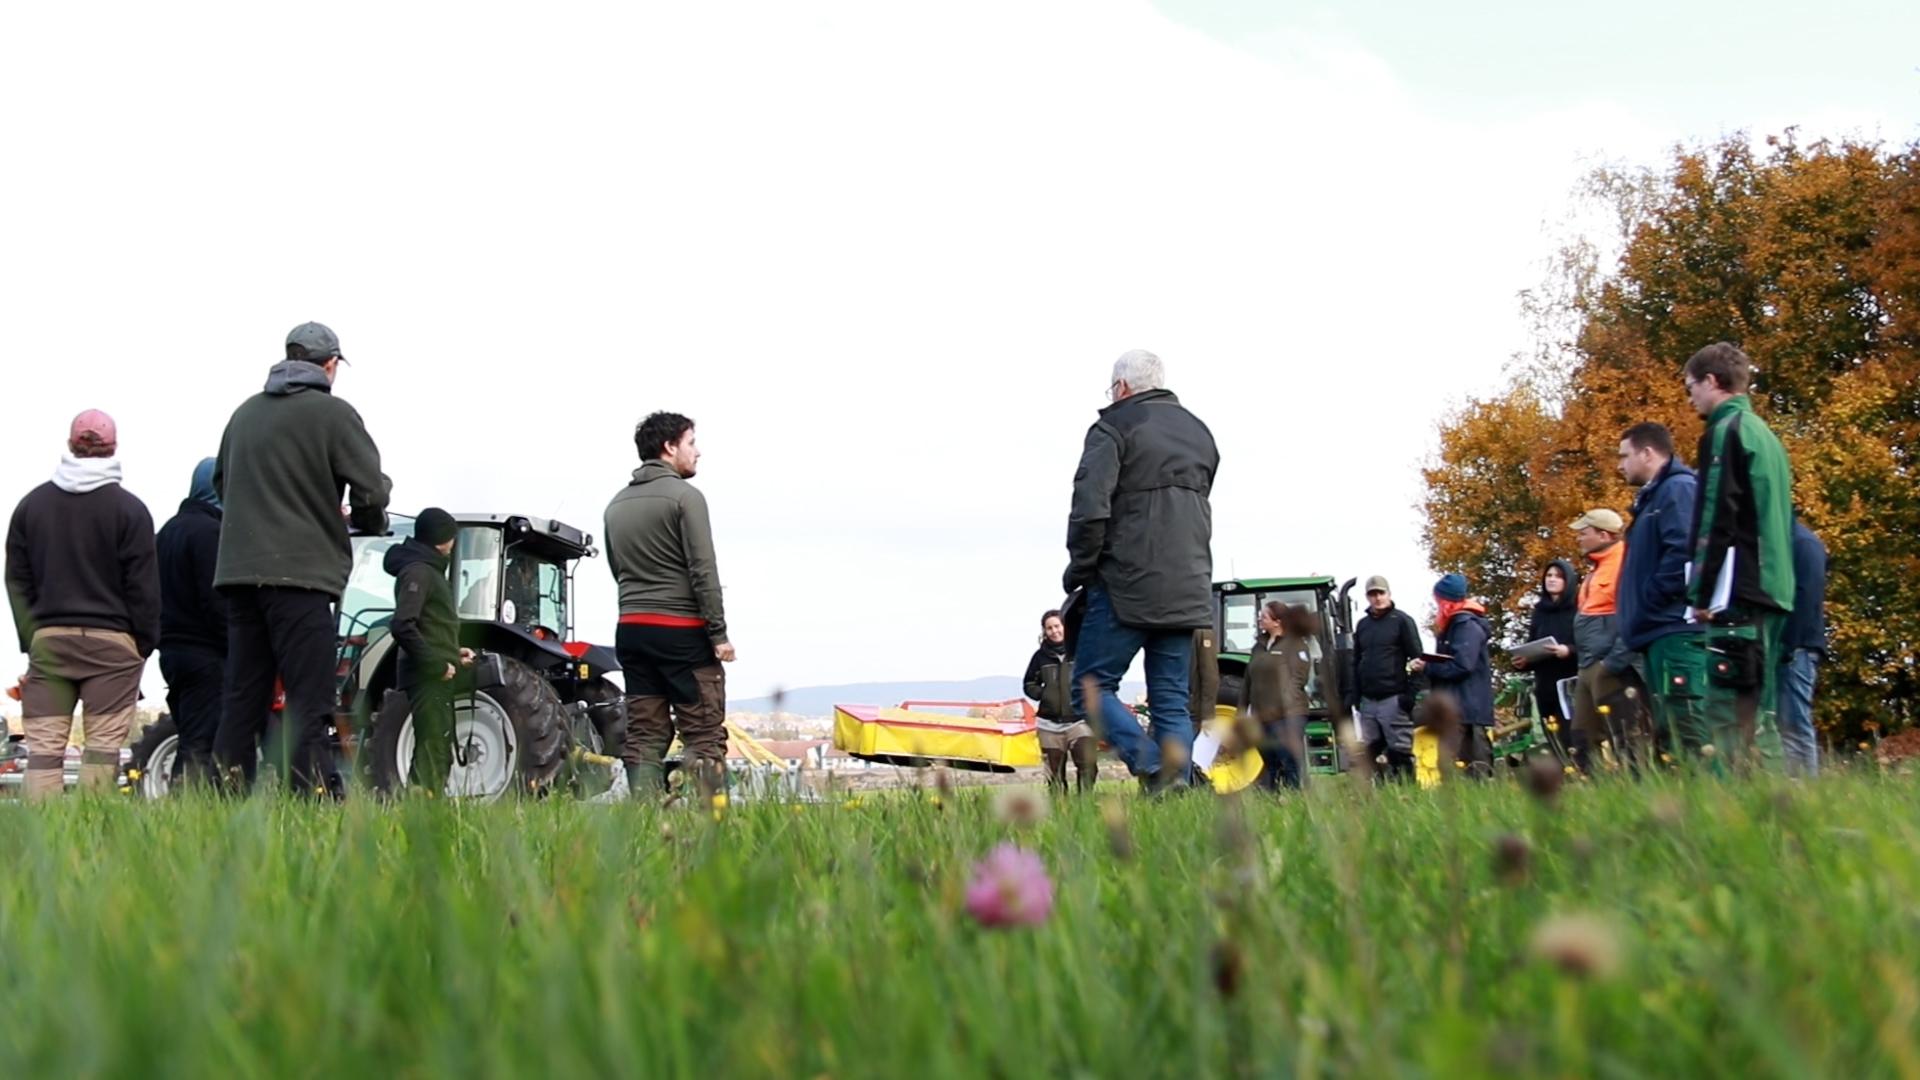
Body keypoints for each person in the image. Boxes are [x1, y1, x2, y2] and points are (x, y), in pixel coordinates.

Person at [212, 322, 391, 796]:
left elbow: (221, 486)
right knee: (307, 700)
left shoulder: (243, 415)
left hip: (240, 576)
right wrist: (367, 521)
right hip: (302, 579)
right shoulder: (333, 415)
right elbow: (371, 489)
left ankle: (224, 799)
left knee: (242, 697)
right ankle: (308, 796)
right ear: (330, 365)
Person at [1064, 349, 1219, 795]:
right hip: (1188, 585)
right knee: (1171, 697)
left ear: (1122, 387)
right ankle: (1177, 791)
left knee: (1091, 688)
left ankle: (1154, 767)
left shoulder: (1113, 427)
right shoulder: (1200, 433)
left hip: (1125, 581)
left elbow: (1090, 508)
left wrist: (1081, 568)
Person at [4, 411, 160, 798]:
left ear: (70, 445)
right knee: (101, 754)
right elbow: (143, 587)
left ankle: (45, 844)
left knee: (43, 754)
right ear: (113, 449)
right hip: (113, 645)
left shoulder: (31, 506)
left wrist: (32, 637)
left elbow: (17, 580)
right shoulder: (130, 510)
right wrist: (142, 644)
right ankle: (92, 841)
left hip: (50, 641)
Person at [605, 411, 734, 800]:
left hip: (631, 629)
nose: (698, 452)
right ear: (669, 447)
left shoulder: (615, 504)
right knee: (704, 732)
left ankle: (644, 821)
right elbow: (702, 569)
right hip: (682, 632)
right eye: (692, 443)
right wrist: (719, 633)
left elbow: (618, 569)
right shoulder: (686, 498)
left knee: (645, 734)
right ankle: (710, 824)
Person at [1684, 342, 1796, 769]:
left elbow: (1715, 514)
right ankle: (1778, 812)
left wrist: (1699, 593)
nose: (1690, 397)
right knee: (1759, 710)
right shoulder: (1766, 435)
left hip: (1738, 592)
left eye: (1691, 386)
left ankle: (1733, 814)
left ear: (1712, 381)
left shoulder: (1725, 432)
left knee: (1728, 714)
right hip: (1774, 589)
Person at [1616, 422, 1702, 756]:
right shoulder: (1653, 499)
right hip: (1658, 630)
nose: (1620, 465)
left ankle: (1716, 802)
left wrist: (1651, 599)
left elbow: (1684, 552)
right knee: (1670, 734)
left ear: (1647, 452)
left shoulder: (1677, 490)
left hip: (1674, 629)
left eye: (1625, 456)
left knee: (1689, 731)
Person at [383, 508, 474, 794]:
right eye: (451, 537)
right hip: (427, 675)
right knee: (432, 746)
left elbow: (427, 626)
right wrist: (437, 664)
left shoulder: (428, 570)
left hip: (434, 672)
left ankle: (424, 809)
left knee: (435, 744)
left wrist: (453, 652)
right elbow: (402, 625)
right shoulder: (419, 572)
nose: (453, 543)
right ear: (441, 540)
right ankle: (422, 811)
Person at [155, 457, 227, 787]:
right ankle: (187, 812)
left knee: (189, 733)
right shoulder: (211, 533)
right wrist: (237, 643)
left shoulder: (168, 531)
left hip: (171, 652)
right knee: (201, 742)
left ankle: (187, 807)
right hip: (206, 652)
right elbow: (215, 600)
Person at [1567, 510, 1640, 770]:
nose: (1579, 539)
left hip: (1611, 666)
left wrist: (1614, 662)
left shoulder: (1626, 563)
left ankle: (1640, 792)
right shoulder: (1594, 570)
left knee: (1627, 736)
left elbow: (1634, 614)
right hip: (1588, 665)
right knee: (1581, 740)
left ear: (1603, 534)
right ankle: (1595, 799)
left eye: (1583, 533)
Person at [1412, 573, 1492, 777]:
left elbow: (1462, 665)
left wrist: (1428, 667)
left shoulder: (1465, 626)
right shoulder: (1456, 626)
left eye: (1438, 601)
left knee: (1472, 772)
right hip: (1460, 709)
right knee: (1454, 771)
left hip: (1467, 712)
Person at [1349, 575, 1424, 780]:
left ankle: (1407, 793)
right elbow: (1356, 661)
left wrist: (1409, 696)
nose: (1377, 598)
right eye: (1372, 594)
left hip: (1394, 698)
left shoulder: (1402, 621)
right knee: (1371, 751)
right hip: (1368, 700)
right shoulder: (1362, 625)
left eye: (1381, 593)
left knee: (1400, 751)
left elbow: (1419, 660)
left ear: (1389, 594)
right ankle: (1379, 796)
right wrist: (1355, 696)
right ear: (1367, 597)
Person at [1023, 609, 1096, 793]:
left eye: (1057, 626)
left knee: (1087, 765)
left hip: (1079, 720)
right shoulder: (1039, 657)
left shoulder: (1082, 650)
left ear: (1065, 627)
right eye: (1049, 628)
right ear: (1044, 631)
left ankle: (1084, 805)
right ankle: (1060, 810)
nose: (1054, 631)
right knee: (1054, 776)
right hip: (1049, 724)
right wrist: (1044, 694)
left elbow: (1096, 677)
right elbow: (1029, 683)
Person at [1778, 516, 1828, 777]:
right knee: (1785, 724)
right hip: (1791, 646)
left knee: (1794, 724)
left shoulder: (1803, 544)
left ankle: (1805, 789)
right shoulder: (1792, 542)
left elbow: (1807, 600)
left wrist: (1787, 646)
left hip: (1797, 648)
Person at [1514, 558, 1580, 756]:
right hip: (1545, 684)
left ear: (1568, 581)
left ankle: (1582, 775)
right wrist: (1523, 662)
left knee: (1572, 735)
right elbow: (1533, 644)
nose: (1552, 580)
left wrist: (1568, 650)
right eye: (1549, 576)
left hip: (1571, 683)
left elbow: (1588, 646)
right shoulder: (1539, 612)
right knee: (1552, 738)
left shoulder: (1578, 610)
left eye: (1558, 576)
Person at [1247, 602, 1313, 791]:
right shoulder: (1258, 646)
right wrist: (1244, 709)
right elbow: (1248, 680)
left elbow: (1299, 677)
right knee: (1269, 758)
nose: (1260, 619)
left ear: (1278, 622)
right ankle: (1275, 797)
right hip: (1261, 714)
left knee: (1289, 758)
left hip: (1287, 714)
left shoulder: (1296, 645)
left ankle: (1295, 797)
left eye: (1264, 617)